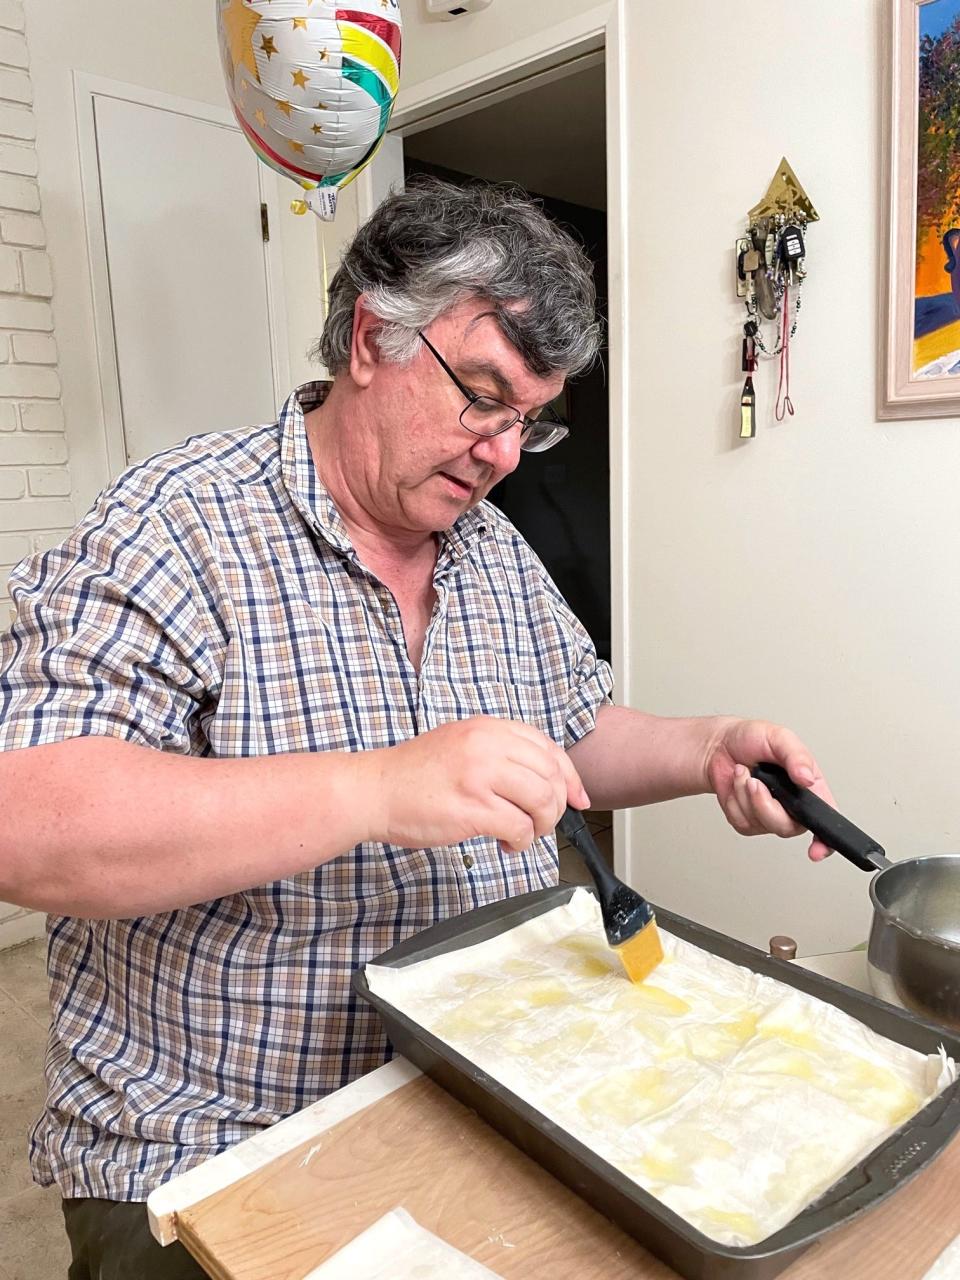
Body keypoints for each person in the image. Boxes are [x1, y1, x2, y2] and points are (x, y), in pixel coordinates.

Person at [0, 178, 834, 1277]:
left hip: (478, 1085)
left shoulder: (490, 546)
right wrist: (377, 788)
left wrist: (706, 747)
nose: (499, 451)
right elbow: (31, 822)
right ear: (367, 338)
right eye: (481, 394)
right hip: (212, 1140)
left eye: (528, 420)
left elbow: (570, 731)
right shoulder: (180, 523)